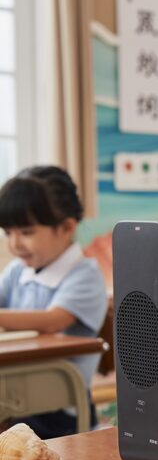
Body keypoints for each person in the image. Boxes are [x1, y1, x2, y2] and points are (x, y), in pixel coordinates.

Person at [0, 166, 107, 438]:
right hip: (16, 393)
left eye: (26, 232)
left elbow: (54, 320)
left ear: (66, 227)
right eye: (7, 232)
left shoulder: (85, 274)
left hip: (61, 408)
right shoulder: (16, 271)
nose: (14, 244)